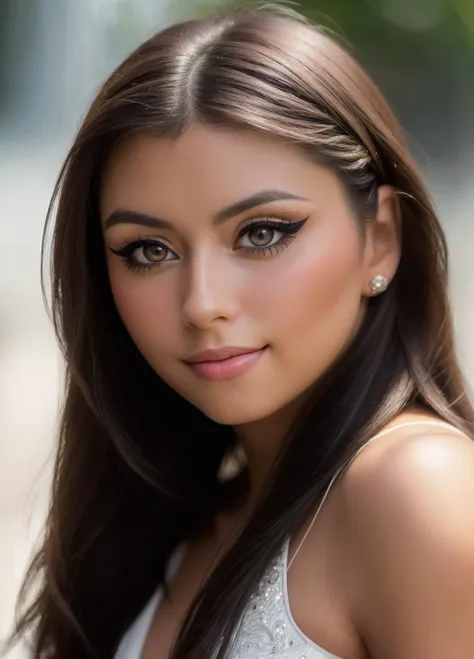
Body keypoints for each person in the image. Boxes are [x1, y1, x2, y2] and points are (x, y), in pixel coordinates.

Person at [9, 3, 474, 658]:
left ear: (380, 238)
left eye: (262, 233)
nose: (201, 303)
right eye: (148, 250)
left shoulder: (414, 486)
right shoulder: (188, 514)